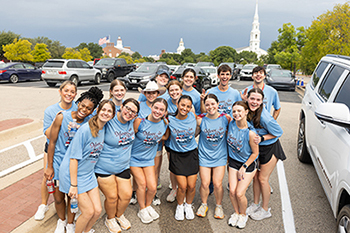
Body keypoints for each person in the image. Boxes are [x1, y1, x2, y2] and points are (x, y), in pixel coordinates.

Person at [45, 87, 104, 233]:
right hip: (59, 162)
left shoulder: (89, 123)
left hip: (75, 164)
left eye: (89, 108)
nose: (84, 109)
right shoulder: (62, 117)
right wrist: (49, 166)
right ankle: (62, 220)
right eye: (82, 105)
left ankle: (71, 223)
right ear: (77, 103)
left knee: (73, 197)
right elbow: (51, 142)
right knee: (58, 197)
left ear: (93, 111)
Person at [58, 100, 116, 233]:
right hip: (72, 173)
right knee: (88, 211)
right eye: (103, 110)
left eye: (109, 111)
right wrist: (73, 185)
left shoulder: (104, 128)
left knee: (97, 211)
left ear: (112, 115)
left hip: (88, 173)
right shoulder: (85, 130)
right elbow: (73, 159)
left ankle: (86, 230)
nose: (105, 113)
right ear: (97, 111)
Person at [94, 98, 140, 233]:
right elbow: (93, 120)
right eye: (128, 108)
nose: (129, 113)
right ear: (122, 106)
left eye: (133, 112)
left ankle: (118, 215)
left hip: (123, 166)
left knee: (126, 196)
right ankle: (110, 218)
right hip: (104, 167)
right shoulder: (109, 120)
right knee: (112, 197)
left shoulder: (132, 122)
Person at [35, 81, 77, 221]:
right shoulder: (51, 110)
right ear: (60, 91)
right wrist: (58, 120)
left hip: (69, 151)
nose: (69, 94)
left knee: (69, 183)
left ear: (75, 94)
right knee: (48, 176)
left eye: (72, 92)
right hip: (53, 149)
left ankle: (72, 215)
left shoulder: (78, 109)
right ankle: (43, 204)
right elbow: (48, 134)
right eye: (66, 91)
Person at [245, 88, 285, 221]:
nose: (254, 102)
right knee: (255, 177)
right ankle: (255, 204)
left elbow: (279, 132)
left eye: (258, 100)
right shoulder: (248, 111)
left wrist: (262, 138)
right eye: (252, 98)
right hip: (258, 149)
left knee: (263, 179)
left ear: (262, 102)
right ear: (247, 98)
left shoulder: (265, 117)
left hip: (271, 148)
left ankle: (265, 209)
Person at [130, 98, 168, 224]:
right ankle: (142, 209)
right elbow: (130, 136)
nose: (158, 111)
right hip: (134, 159)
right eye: (156, 108)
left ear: (165, 112)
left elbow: (165, 136)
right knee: (141, 184)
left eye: (161, 110)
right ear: (151, 107)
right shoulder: (139, 122)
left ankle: (147, 206)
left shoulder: (164, 124)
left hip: (148, 160)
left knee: (152, 187)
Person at [196, 94, 231, 219]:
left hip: (220, 156)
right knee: (205, 183)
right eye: (207, 105)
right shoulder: (200, 120)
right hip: (204, 155)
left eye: (212, 104)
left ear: (218, 104)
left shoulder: (226, 119)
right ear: (204, 106)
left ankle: (219, 206)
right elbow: (192, 133)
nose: (210, 107)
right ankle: (204, 204)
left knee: (217, 183)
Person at [130, 81, 165, 206]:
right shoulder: (140, 105)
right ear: (145, 93)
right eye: (148, 93)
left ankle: (152, 193)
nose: (151, 95)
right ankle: (135, 192)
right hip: (140, 144)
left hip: (155, 145)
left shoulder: (161, 106)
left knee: (154, 171)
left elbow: (164, 128)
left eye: (153, 92)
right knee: (138, 174)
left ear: (157, 93)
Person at [227, 101, 259, 229]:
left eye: (239, 111)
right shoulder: (231, 124)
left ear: (246, 112)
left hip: (248, 164)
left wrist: (244, 167)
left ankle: (243, 214)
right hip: (234, 162)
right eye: (234, 111)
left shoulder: (251, 133)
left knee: (240, 193)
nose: (236, 114)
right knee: (232, 191)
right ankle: (236, 212)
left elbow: (255, 153)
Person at [167, 95, 199, 221]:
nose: (184, 108)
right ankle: (180, 206)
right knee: (182, 186)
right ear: (177, 104)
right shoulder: (170, 119)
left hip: (191, 154)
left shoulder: (192, 117)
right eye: (182, 105)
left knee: (191, 185)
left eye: (188, 106)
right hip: (177, 155)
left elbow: (197, 130)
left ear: (191, 108)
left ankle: (188, 205)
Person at [164, 80, 183, 203]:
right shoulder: (166, 104)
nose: (174, 92)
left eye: (177, 90)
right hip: (170, 141)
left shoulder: (186, 103)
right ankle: (174, 188)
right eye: (171, 90)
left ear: (181, 90)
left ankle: (182, 189)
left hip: (183, 142)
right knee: (172, 166)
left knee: (183, 167)